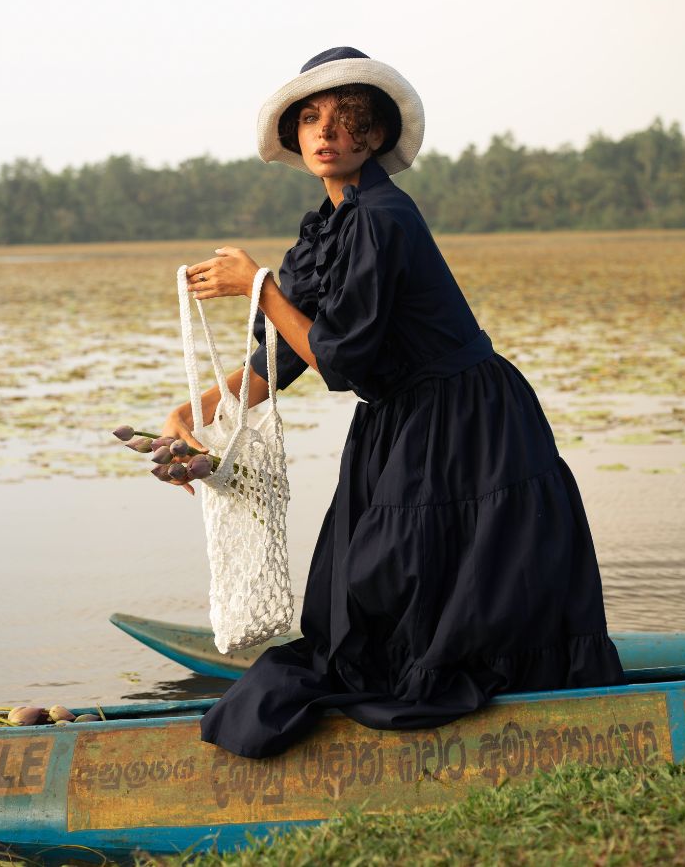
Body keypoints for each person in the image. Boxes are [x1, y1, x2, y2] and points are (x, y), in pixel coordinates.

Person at [162, 46, 624, 759]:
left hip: (468, 419)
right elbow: (287, 352)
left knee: (428, 586)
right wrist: (195, 414)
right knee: (367, 586)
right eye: (310, 119)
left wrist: (260, 287)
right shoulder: (332, 225)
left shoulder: (384, 216)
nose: (324, 133)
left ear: (372, 135)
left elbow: (340, 361)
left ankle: (535, 728)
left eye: (344, 120)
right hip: (401, 421)